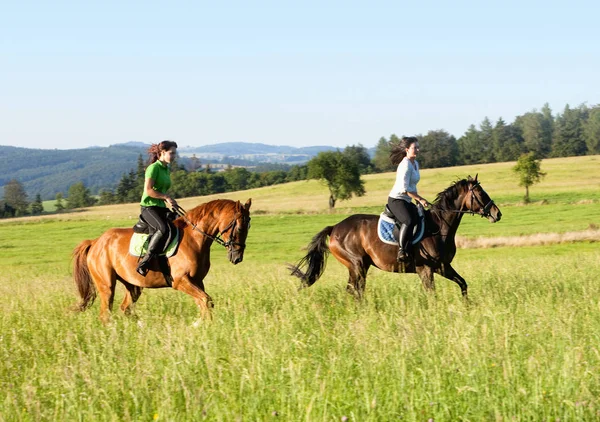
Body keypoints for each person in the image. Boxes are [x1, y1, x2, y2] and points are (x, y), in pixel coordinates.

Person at [136, 140, 179, 276]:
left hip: (160, 207)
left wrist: (172, 201)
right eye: (171, 153)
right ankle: (144, 263)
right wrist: (166, 197)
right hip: (149, 207)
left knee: (179, 223)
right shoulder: (153, 168)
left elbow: (161, 190)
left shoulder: (166, 169)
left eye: (175, 154)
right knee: (163, 229)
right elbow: (149, 191)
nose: (173, 156)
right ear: (162, 152)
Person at [387, 136, 431, 262]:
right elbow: (405, 189)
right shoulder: (405, 165)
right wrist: (421, 199)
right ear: (407, 149)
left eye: (418, 147)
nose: (417, 150)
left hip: (407, 200)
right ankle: (402, 250)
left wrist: (417, 200)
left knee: (421, 217)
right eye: (414, 148)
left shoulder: (415, 163)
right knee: (408, 220)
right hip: (396, 199)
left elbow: (413, 185)